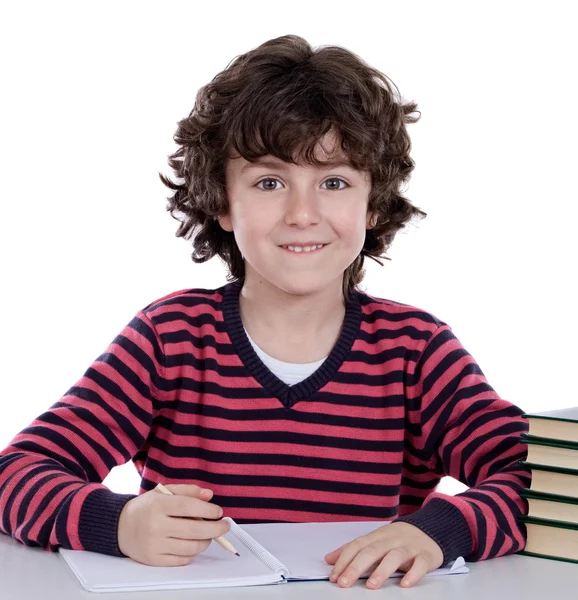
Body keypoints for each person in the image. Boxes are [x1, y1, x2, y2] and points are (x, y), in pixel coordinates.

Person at [0, 34, 529, 590]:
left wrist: (439, 531)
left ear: (372, 204)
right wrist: (120, 524)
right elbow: (16, 475)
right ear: (223, 203)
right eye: (270, 182)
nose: (303, 213)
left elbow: (541, 482)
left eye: (334, 182)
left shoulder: (416, 350)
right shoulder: (170, 339)